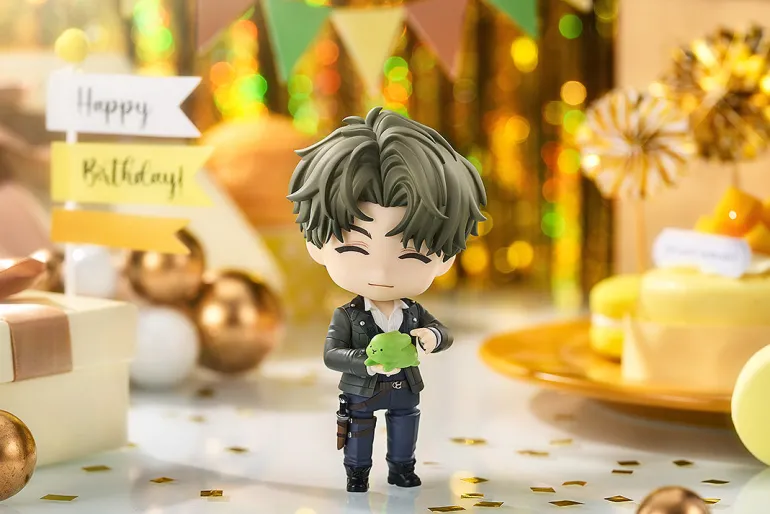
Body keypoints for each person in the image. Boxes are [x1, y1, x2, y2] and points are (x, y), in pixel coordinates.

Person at [287, 107, 487, 493]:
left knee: (404, 426)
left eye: (410, 255)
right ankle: (357, 473)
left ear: (444, 258)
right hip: (361, 389)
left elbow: (442, 333)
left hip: (404, 388)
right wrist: (366, 361)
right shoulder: (347, 315)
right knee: (359, 431)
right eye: (355, 250)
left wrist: (430, 337)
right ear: (316, 245)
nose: (380, 272)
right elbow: (332, 354)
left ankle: (401, 468)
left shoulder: (413, 312)